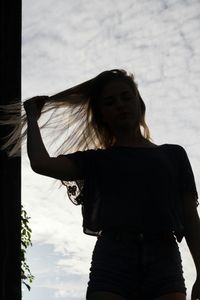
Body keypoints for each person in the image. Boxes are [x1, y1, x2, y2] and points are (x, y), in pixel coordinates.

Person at [2, 69, 200, 299]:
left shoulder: (173, 155)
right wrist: (33, 119)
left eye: (126, 97)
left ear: (139, 102)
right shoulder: (97, 160)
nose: (120, 105)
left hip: (163, 258)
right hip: (113, 257)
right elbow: (41, 163)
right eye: (110, 102)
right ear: (102, 114)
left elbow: (189, 215)